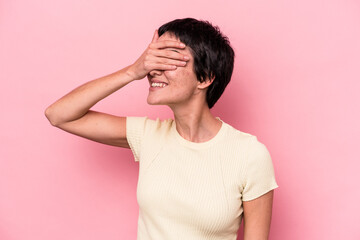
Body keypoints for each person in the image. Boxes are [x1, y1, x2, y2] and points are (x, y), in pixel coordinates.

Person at [45, 18, 278, 240]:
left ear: (205, 77)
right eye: (153, 58)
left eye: (168, 59)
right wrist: (131, 71)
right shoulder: (148, 136)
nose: (152, 70)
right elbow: (59, 115)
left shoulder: (250, 155)